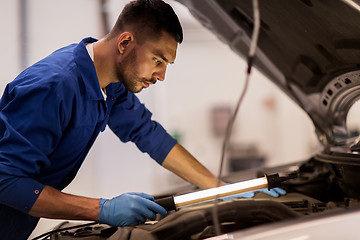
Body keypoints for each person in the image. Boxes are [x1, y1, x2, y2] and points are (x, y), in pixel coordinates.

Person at [0, 0, 284, 239]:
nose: (161, 76)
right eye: (158, 61)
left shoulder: (110, 85)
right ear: (125, 42)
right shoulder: (54, 86)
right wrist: (103, 209)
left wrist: (219, 188)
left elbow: (148, 133)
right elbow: (6, 180)